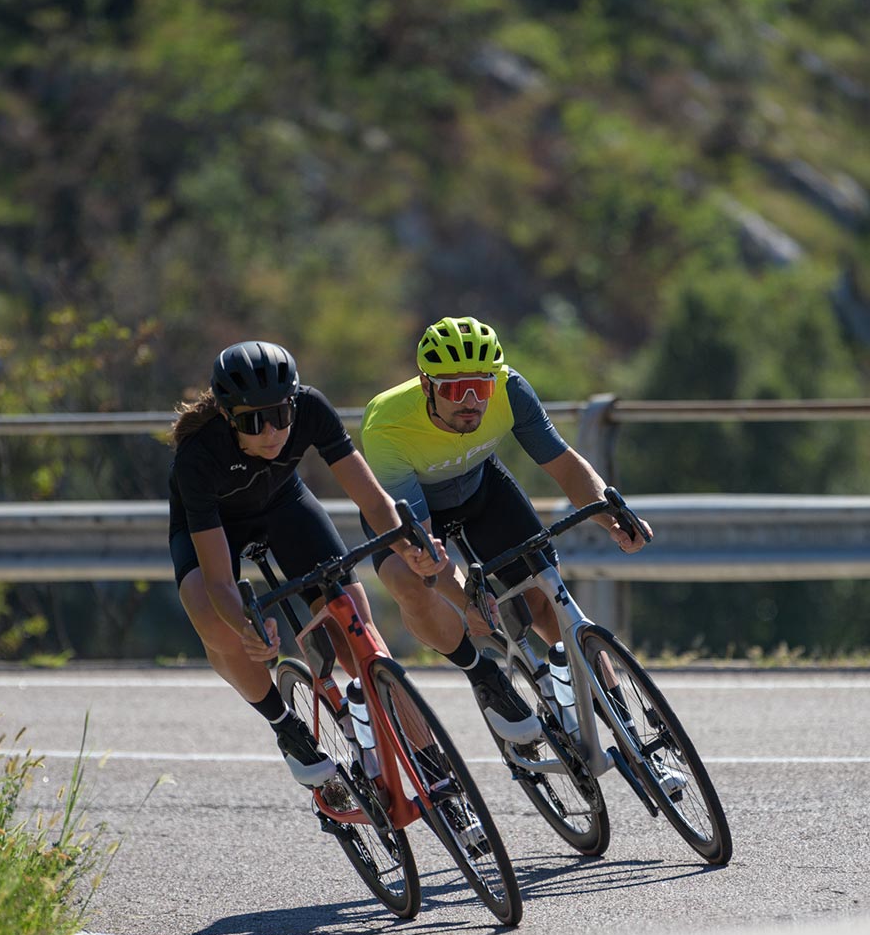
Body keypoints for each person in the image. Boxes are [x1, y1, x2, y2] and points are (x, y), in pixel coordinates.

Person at [168, 340, 447, 807]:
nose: (272, 431)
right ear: (228, 417)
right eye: (253, 421)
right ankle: (287, 727)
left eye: (280, 414)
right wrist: (247, 627)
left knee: (357, 628)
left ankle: (435, 766)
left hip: (284, 508)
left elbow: (374, 500)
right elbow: (219, 581)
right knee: (213, 618)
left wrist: (411, 546)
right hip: (217, 527)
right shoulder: (198, 456)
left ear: (294, 401)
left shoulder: (312, 408)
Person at [358, 315, 652, 745]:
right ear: (427, 386)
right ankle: (484, 675)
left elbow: (565, 465)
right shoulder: (386, 423)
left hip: (480, 490)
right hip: (416, 516)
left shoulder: (511, 389)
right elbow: (425, 553)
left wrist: (612, 517)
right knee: (412, 582)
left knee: (547, 600)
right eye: (457, 389)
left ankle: (622, 717)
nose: (473, 401)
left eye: (483, 386)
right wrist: (468, 601)